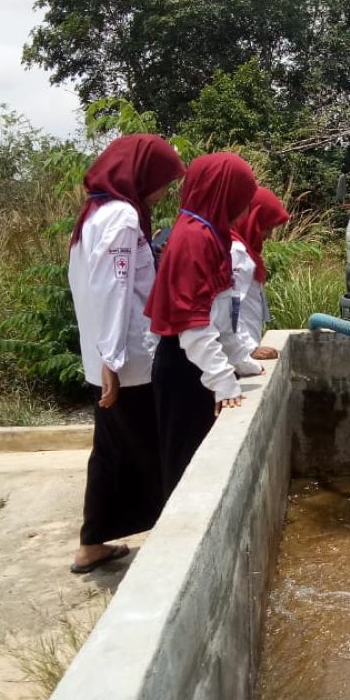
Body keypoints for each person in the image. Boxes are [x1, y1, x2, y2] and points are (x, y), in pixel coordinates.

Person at [66, 134, 185, 574]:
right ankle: (171, 541)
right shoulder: (120, 217)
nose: (163, 192)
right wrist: (112, 359)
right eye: (161, 183)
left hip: (109, 356)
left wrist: (102, 357)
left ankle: (92, 542)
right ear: (141, 176)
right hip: (129, 360)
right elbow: (113, 290)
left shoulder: (95, 215)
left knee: (111, 448)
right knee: (151, 447)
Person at [144, 152, 257, 496]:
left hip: (197, 364)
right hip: (184, 367)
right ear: (224, 194)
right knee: (187, 472)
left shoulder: (211, 234)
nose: (244, 210)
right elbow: (192, 323)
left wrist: (240, 361)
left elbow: (221, 313)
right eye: (241, 199)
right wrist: (223, 380)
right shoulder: (194, 239)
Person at [230, 186, 291, 362]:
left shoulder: (245, 252)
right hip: (239, 356)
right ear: (252, 220)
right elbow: (230, 308)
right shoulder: (236, 253)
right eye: (267, 227)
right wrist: (249, 349)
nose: (270, 235)